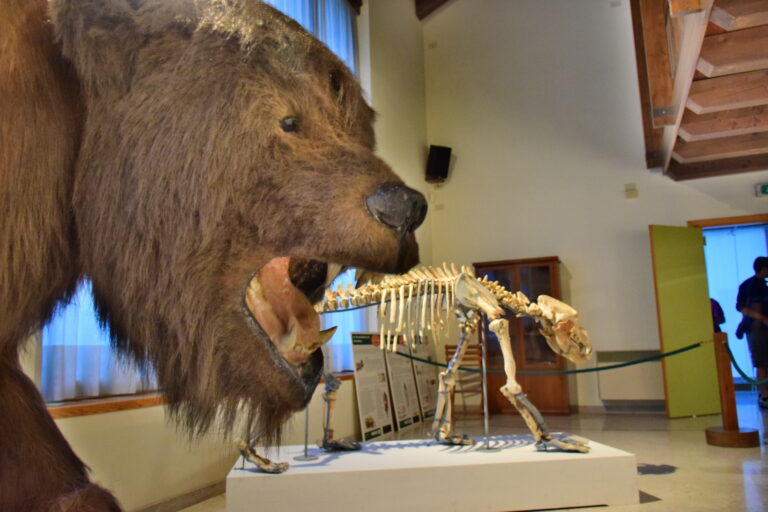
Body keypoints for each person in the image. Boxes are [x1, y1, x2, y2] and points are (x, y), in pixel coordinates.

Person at [736, 256, 768, 409]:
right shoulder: (749, 285)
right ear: (763, 269)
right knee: (761, 362)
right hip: (756, 330)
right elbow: (741, 307)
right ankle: (764, 395)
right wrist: (761, 318)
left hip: (759, 328)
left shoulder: (763, 285)